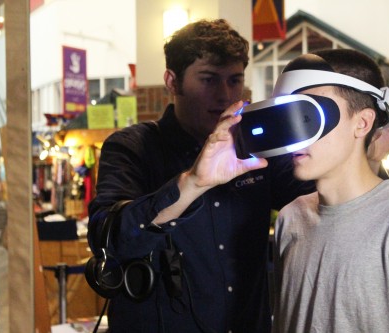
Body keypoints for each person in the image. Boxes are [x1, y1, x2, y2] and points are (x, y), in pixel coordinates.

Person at [87, 19, 314, 332]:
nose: (224, 95)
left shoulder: (257, 149)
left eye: (234, 81)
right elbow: (109, 238)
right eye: (208, 80)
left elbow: (322, 197)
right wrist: (193, 183)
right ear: (172, 81)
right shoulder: (133, 147)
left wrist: (356, 141)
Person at [271, 49, 389, 332]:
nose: (297, 133)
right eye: (290, 115)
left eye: (310, 115)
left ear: (363, 123)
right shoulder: (290, 217)